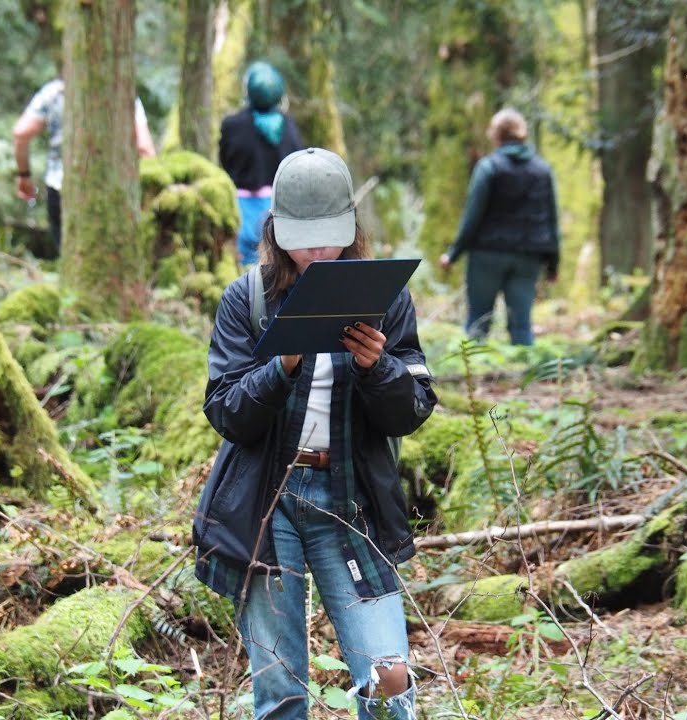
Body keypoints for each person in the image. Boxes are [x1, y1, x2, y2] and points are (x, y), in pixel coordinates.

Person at [192, 148, 437, 720]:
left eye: (328, 238)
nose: (317, 252)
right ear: (277, 231)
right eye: (304, 239)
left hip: (350, 502)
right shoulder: (248, 299)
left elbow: (414, 409)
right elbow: (225, 411)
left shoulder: (387, 300)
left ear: (349, 231)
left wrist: (381, 368)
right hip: (268, 504)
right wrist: (281, 364)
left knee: (389, 678)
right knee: (280, 692)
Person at [439, 108, 561, 346]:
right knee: (522, 324)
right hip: (528, 257)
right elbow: (552, 221)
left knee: (478, 321)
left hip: (487, 256)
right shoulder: (543, 171)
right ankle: (526, 372)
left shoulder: (488, 168)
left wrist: (453, 254)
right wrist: (553, 264)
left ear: (496, 135)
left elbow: (472, 217)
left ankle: (472, 374)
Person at [13, 77, 156, 256]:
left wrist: (24, 175)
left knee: (71, 259)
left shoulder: (54, 92)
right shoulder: (123, 93)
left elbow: (21, 133)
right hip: (112, 191)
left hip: (60, 188)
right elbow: (145, 149)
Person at [218, 61, 305, 268]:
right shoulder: (289, 126)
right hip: (281, 208)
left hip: (242, 209)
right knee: (279, 266)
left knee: (246, 271)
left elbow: (225, 161)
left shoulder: (233, 125)